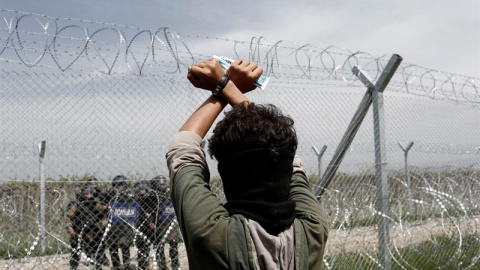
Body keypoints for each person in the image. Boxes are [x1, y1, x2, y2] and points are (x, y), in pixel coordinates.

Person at [166, 58, 329, 269]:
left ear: (227, 174)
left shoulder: (210, 233)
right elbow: (285, 157)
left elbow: (183, 147)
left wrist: (224, 87)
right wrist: (228, 87)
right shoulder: (314, 228)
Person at [66, 186, 107, 270]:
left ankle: (98, 266)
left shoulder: (97, 204)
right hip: (79, 231)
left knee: (96, 252)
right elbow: (68, 217)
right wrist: (69, 227)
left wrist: (104, 222)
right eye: (86, 194)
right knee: (75, 251)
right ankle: (73, 266)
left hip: (94, 232)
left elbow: (106, 213)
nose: (88, 196)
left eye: (90, 194)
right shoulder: (77, 205)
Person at [104, 174, 136, 270]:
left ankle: (127, 266)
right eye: (118, 185)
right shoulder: (109, 195)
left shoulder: (129, 194)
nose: (120, 187)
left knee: (125, 248)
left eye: (122, 184)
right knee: (113, 249)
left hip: (125, 227)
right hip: (112, 227)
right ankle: (116, 267)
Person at [151, 175, 180, 270]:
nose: (162, 185)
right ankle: (162, 266)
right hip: (159, 223)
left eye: (163, 184)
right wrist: (152, 221)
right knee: (160, 246)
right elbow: (150, 210)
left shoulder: (170, 194)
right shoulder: (153, 196)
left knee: (173, 244)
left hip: (170, 222)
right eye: (159, 184)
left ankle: (175, 265)